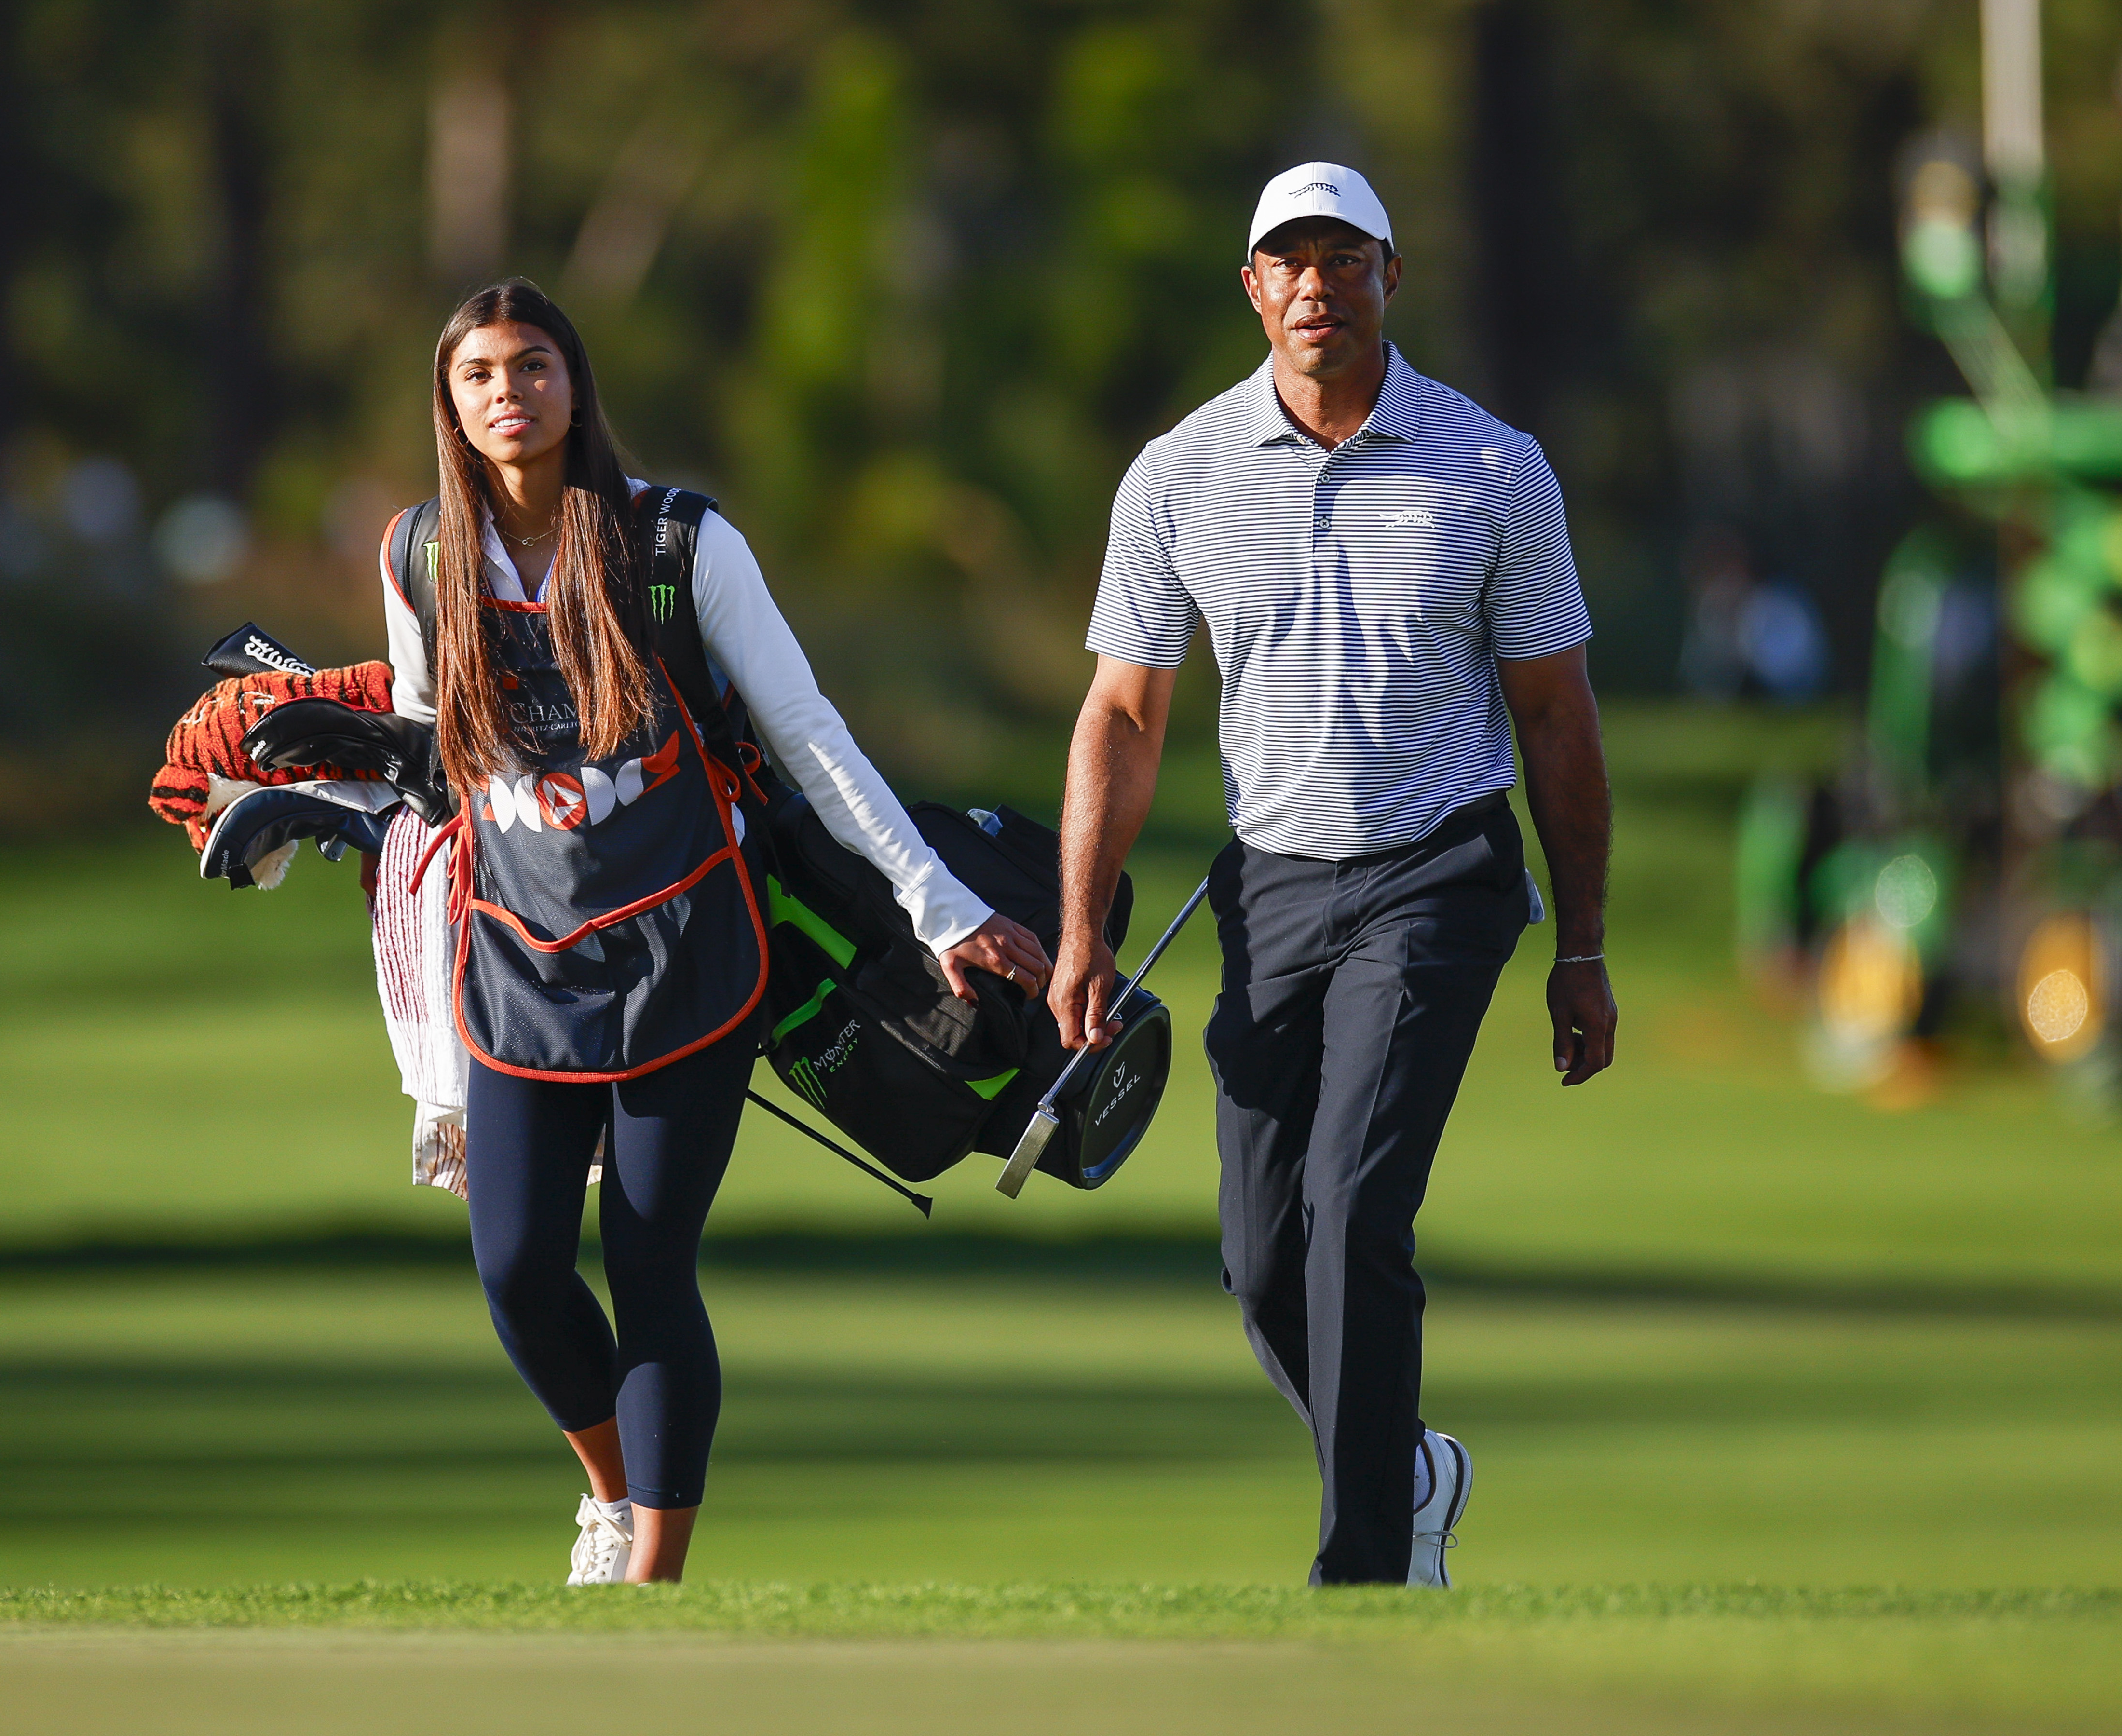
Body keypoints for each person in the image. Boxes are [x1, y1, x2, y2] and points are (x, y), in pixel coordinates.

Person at [384, 280, 1052, 1585]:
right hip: (522, 966)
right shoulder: (420, 555)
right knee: (517, 1268)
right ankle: (611, 1497)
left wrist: (944, 905)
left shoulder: (681, 545)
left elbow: (813, 741)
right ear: (449, 405)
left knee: (648, 1263)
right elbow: (431, 760)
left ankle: (654, 1580)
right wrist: (328, 776)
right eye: (478, 377)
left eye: (532, 368)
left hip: (692, 958)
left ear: (575, 386)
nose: (507, 395)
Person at [1048, 165, 1617, 1587]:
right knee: (1261, 1264)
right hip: (1274, 889)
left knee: (1357, 1209)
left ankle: (1366, 1570)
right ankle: (1409, 1468)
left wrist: (1587, 947)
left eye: (1343, 259)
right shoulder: (1177, 474)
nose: (1316, 285)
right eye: (1287, 262)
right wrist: (1081, 933)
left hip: (1438, 876)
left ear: (1389, 276)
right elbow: (1123, 714)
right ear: (1252, 288)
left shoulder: (1494, 467)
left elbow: (1556, 715)